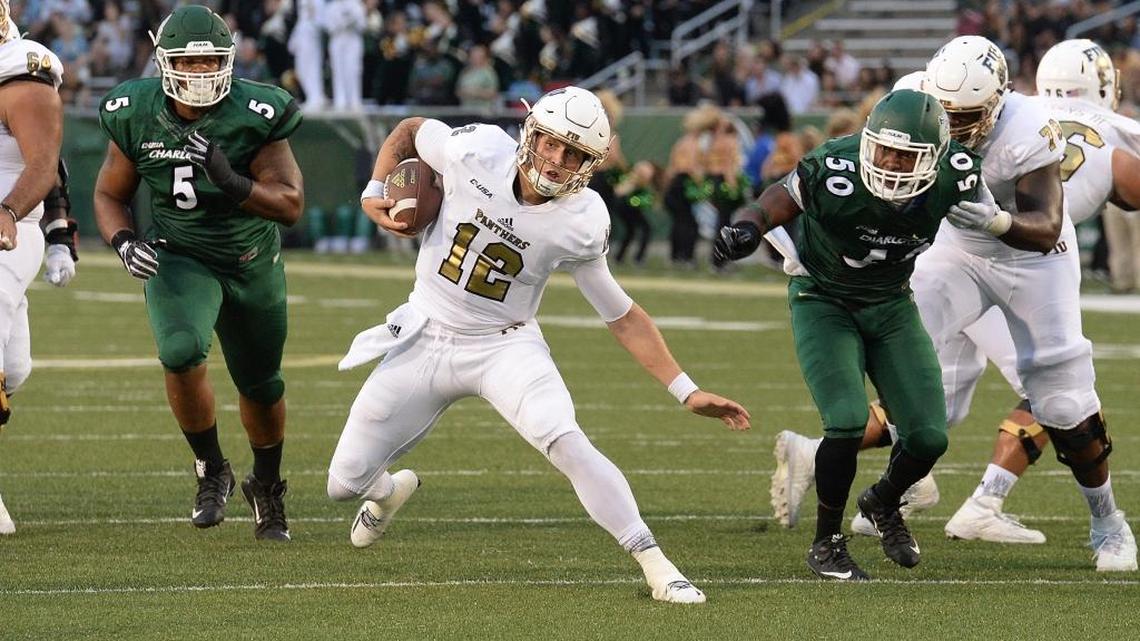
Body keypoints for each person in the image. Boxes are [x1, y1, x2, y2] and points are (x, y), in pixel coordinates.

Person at [327, 86, 751, 604]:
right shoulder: (476, 149)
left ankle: (657, 566)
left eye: (574, 153)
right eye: (552, 143)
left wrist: (686, 390)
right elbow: (412, 130)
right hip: (426, 331)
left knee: (565, 438)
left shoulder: (582, 219)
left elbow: (621, 315)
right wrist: (374, 188)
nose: (557, 160)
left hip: (505, 345)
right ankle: (389, 494)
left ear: (591, 162)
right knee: (343, 484)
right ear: (531, 133)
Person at [771, 36, 1138, 572]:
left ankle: (1108, 522)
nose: (954, 126)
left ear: (999, 99)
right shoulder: (910, 101)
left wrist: (996, 220)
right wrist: (808, 243)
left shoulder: (1028, 127)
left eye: (967, 116)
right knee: (913, 373)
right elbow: (849, 169)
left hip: (1033, 256)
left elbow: (1046, 229)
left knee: (1061, 398)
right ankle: (893, 488)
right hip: (954, 249)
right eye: (946, 112)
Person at [714, 88, 997, 580]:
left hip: (890, 303)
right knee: (845, 419)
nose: (887, 161)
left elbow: (985, 221)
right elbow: (776, 200)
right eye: (882, 147)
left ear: (933, 157)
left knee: (929, 436)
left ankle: (882, 502)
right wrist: (748, 227)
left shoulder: (957, 172)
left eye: (904, 154)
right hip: (824, 299)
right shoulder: (836, 166)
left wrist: (996, 220)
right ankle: (827, 544)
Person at [92, 5, 304, 542]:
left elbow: (290, 204)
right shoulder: (133, 110)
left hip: (250, 259)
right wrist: (122, 241)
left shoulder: (256, 111)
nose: (201, 74)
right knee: (180, 350)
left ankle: (268, 486)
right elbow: (109, 194)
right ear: (164, 63)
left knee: (261, 384)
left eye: (211, 61)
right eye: (188, 63)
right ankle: (211, 467)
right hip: (179, 253)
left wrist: (232, 181)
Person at [0, 0, 69, 535]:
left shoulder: (21, 66)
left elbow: (46, 160)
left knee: (10, 371)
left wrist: (56, 232)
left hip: (8, 229)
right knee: (6, 370)